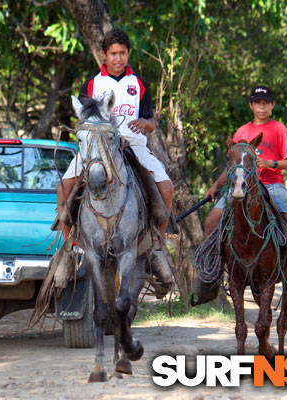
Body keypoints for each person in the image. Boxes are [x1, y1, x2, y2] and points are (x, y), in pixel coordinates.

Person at [57, 29, 174, 284]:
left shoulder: (138, 83)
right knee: (64, 187)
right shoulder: (92, 84)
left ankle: (156, 246)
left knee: (166, 187)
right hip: (97, 147)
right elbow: (83, 119)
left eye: (122, 53)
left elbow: (152, 120)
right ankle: (69, 250)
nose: (118, 58)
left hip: (132, 145)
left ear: (128, 54)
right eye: (113, 54)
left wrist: (145, 123)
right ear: (104, 55)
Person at [204, 85, 287, 277]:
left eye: (266, 103)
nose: (262, 108)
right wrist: (215, 186)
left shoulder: (279, 128)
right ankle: (211, 272)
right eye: (258, 103)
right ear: (251, 105)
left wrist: (271, 163)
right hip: (240, 185)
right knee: (212, 220)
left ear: (272, 106)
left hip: (272, 184)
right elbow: (232, 166)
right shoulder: (242, 132)